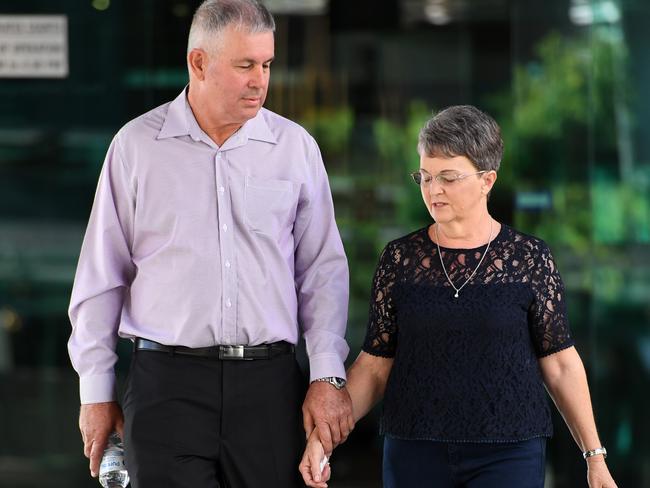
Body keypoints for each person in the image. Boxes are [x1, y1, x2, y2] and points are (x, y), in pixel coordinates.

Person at [67, 1, 354, 487]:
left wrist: (326, 375)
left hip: (269, 387)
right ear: (198, 62)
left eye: (266, 64)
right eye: (245, 65)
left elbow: (322, 271)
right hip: (166, 386)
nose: (259, 80)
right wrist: (95, 391)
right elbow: (101, 277)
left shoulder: (295, 148)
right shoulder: (136, 147)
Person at [300, 105, 618, 488]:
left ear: (488, 180)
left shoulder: (529, 258)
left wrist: (594, 457)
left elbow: (560, 365)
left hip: (509, 452)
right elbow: (374, 367)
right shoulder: (399, 259)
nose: (433, 190)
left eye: (448, 178)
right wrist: (325, 438)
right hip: (414, 451)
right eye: (425, 176)